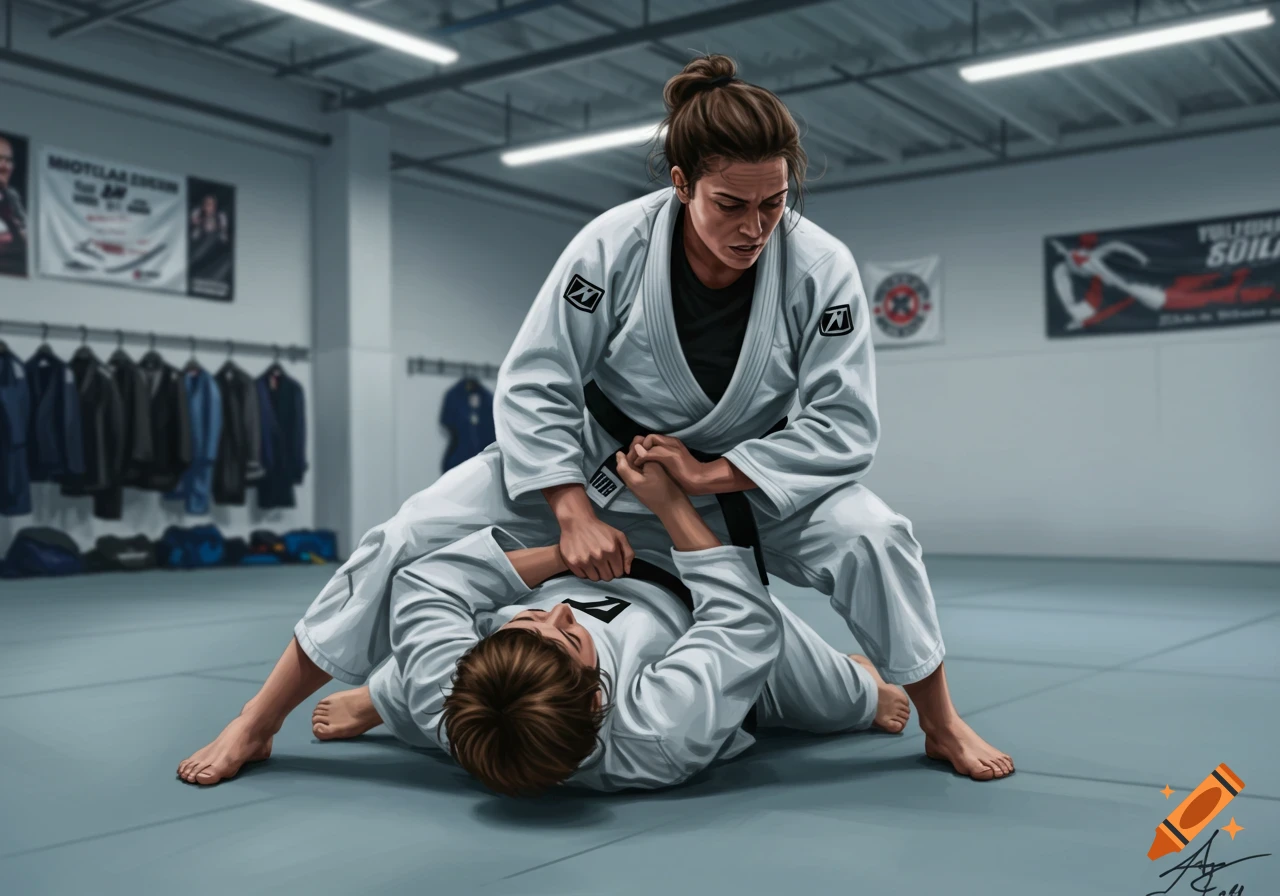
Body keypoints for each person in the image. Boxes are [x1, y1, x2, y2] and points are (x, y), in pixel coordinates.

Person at [295, 54, 1013, 782]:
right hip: (600, 464)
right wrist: (569, 509)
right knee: (408, 534)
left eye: (773, 203)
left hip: (745, 479)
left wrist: (707, 475)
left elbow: (843, 422)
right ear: (681, 184)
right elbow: (540, 377)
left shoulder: (820, 265)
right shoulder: (612, 245)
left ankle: (942, 722)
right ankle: (270, 717)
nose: (755, 226)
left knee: (876, 537)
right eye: (730, 204)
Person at [178, 451, 912, 793]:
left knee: (412, 680)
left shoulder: (453, 696)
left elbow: (429, 581)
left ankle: (382, 697)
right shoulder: (657, 729)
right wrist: (670, 508)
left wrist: (561, 551)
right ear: (603, 700)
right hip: (685, 599)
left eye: (530, 626)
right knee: (850, 702)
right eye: (568, 636)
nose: (557, 611)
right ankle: (856, 687)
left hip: (495, 642)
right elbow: (742, 621)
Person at [0, 135, 30, 277]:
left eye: (8, 161)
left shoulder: (12, 197)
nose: (4, 167)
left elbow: (29, 240)